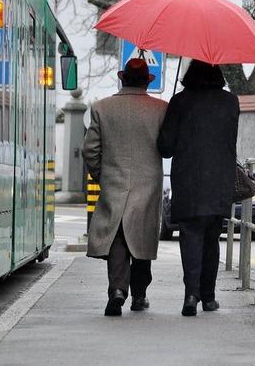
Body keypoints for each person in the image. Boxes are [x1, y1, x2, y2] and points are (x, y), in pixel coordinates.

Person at [82, 58, 167, 316]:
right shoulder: (161, 109)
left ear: (122, 78)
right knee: (141, 239)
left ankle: (117, 290)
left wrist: (102, 175)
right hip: (148, 184)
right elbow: (167, 146)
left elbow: (90, 150)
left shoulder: (101, 108)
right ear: (147, 81)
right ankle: (139, 295)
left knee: (118, 238)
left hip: (114, 181)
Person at [157, 59, 240, 316]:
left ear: (189, 74)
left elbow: (165, 147)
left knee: (190, 236)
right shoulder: (231, 102)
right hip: (218, 181)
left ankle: (190, 296)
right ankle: (209, 297)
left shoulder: (180, 102)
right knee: (212, 239)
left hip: (189, 182)